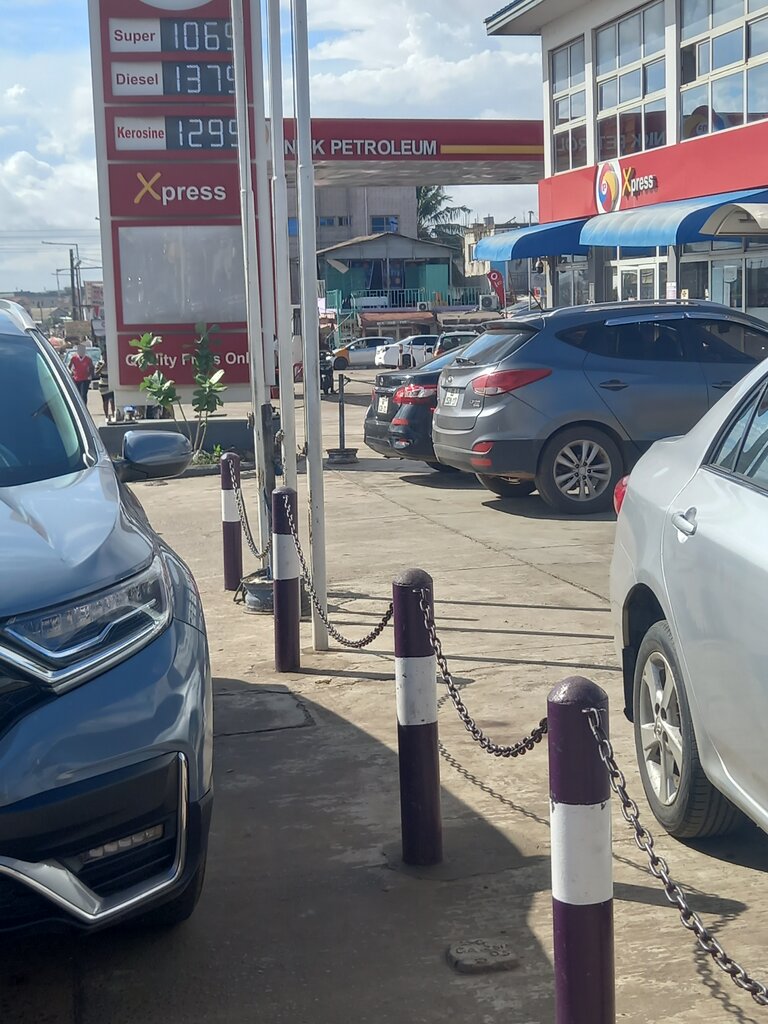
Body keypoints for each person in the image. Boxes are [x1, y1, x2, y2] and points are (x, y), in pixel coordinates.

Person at [95, 355, 115, 422]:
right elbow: (96, 373)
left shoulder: (112, 362)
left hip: (112, 384)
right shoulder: (99, 363)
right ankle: (106, 416)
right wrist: (102, 367)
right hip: (103, 385)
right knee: (105, 401)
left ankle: (113, 415)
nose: (105, 357)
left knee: (113, 401)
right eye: (104, 356)